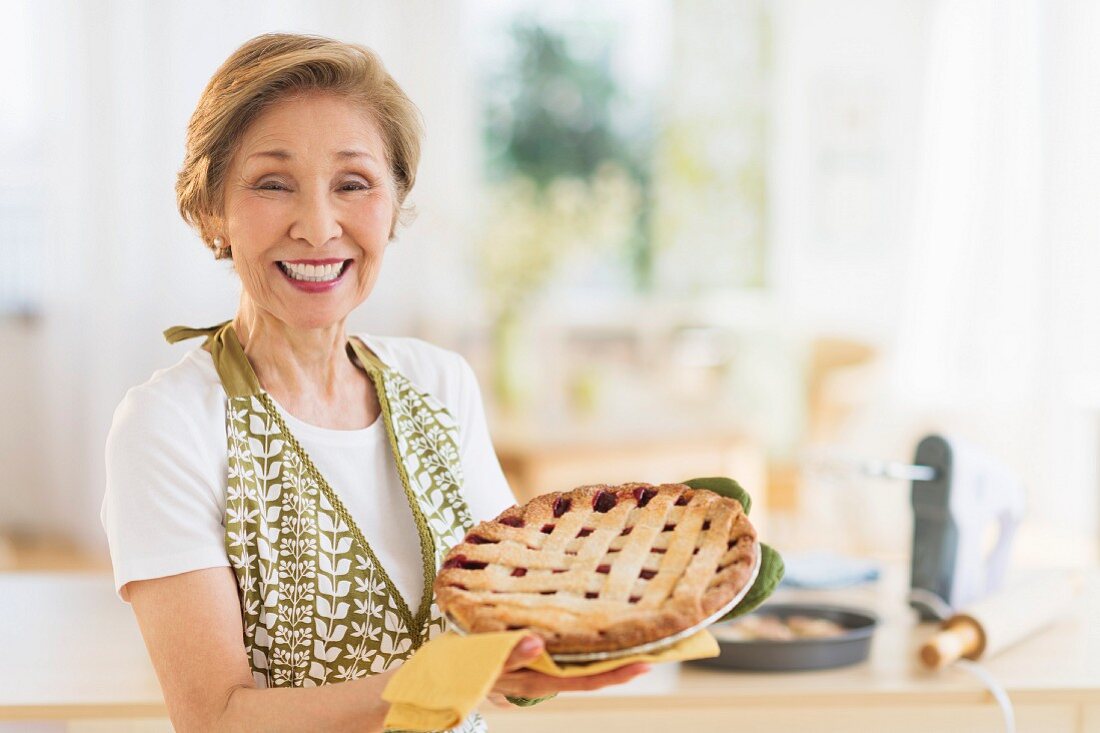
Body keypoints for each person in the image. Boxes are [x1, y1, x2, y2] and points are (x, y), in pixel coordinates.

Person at [100, 33, 648, 733]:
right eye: (273, 183)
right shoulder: (169, 424)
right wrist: (451, 677)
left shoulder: (439, 383)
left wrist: (546, 660)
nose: (318, 225)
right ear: (212, 208)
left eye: (353, 184)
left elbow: (505, 673)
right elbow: (216, 717)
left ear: (393, 205)